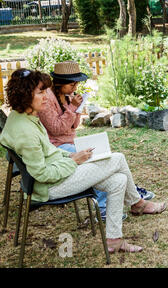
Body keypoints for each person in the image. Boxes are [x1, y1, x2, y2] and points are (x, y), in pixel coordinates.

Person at [0, 68, 167, 253]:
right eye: (40, 92)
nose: (46, 97)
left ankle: (114, 240)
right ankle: (137, 203)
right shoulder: (26, 130)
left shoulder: (24, 116)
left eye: (45, 91)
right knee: (118, 158)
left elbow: (50, 151)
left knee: (118, 181)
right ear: (24, 95)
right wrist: (74, 161)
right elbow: (42, 174)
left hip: (57, 172)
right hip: (50, 187)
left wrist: (71, 156)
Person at [37, 61, 155, 221]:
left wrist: (78, 109)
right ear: (60, 82)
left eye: (77, 83)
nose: (75, 87)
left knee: (102, 152)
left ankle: (128, 194)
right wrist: (72, 108)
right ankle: (107, 205)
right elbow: (56, 129)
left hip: (70, 142)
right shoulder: (47, 99)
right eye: (72, 84)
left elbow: (74, 126)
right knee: (99, 160)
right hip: (57, 147)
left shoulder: (67, 96)